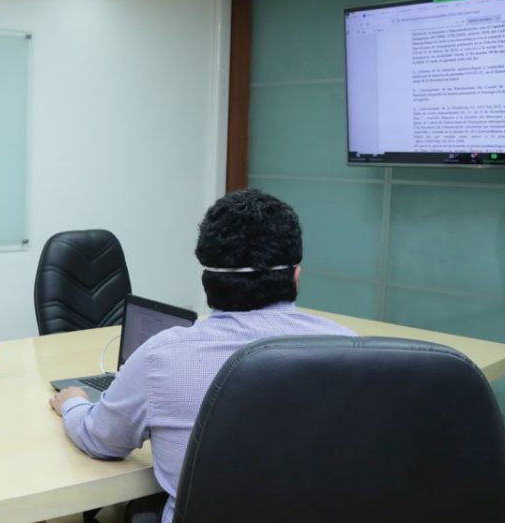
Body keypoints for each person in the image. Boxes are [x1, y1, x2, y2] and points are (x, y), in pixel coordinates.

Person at [48, 188, 355, 523]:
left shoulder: (162, 357)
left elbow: (100, 439)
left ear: (206, 278)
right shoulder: (352, 352)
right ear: (295, 275)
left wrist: (73, 403)